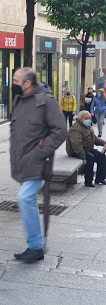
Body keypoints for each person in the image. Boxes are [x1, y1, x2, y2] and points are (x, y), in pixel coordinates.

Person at [10, 68, 66, 263]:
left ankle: (36, 246)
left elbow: (60, 130)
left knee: (25, 198)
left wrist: (40, 152)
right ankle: (35, 247)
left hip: (37, 162)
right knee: (29, 201)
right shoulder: (19, 100)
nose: (13, 84)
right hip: (21, 161)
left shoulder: (46, 102)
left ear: (27, 83)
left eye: (16, 81)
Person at [66, 110, 106, 187]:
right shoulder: (76, 129)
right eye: (86, 118)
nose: (88, 120)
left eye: (89, 118)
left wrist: (104, 143)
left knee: (102, 157)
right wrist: (83, 156)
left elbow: (95, 139)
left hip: (88, 149)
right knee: (90, 158)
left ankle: (100, 178)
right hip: (76, 151)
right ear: (80, 119)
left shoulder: (88, 127)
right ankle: (88, 181)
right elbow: (76, 145)